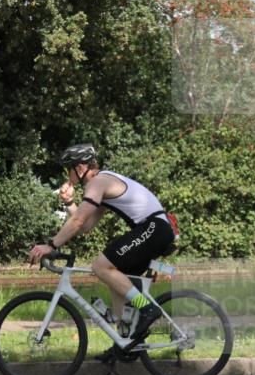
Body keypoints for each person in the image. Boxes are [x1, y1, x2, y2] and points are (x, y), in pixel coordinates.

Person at [27, 144, 175, 360]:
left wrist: (51, 245)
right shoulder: (101, 184)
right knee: (116, 279)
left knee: (100, 266)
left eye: (68, 169)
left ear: (79, 168)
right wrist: (69, 202)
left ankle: (148, 309)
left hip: (154, 228)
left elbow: (77, 222)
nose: (67, 175)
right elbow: (86, 226)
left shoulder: (98, 182)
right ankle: (127, 343)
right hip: (153, 229)